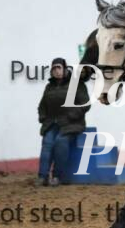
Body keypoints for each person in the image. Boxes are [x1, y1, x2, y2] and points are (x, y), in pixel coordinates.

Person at [37, 58, 91, 186]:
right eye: (54, 68)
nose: (56, 71)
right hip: (52, 123)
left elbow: (85, 104)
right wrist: (43, 117)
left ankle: (57, 176)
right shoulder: (49, 87)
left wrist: (72, 115)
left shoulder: (77, 84)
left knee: (60, 142)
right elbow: (42, 105)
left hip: (71, 123)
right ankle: (42, 176)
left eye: (59, 68)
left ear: (65, 69)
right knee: (47, 143)